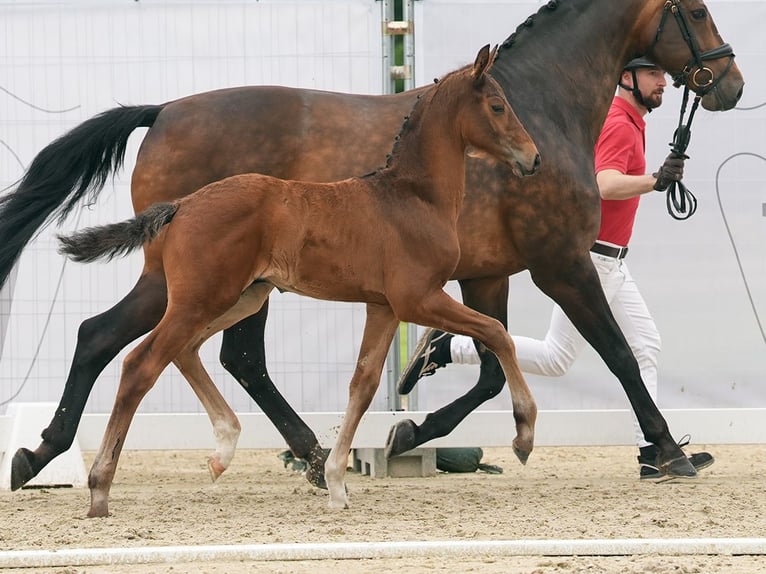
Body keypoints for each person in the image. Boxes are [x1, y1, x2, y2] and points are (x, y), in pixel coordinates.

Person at [397, 58, 714, 481]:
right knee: (557, 357)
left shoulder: (631, 121)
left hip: (615, 260)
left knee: (644, 345)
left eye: (662, 75)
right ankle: (450, 348)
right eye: (654, 75)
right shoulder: (619, 121)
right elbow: (604, 183)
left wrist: (654, 179)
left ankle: (653, 448)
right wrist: (654, 180)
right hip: (598, 258)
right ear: (627, 78)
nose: (663, 83)